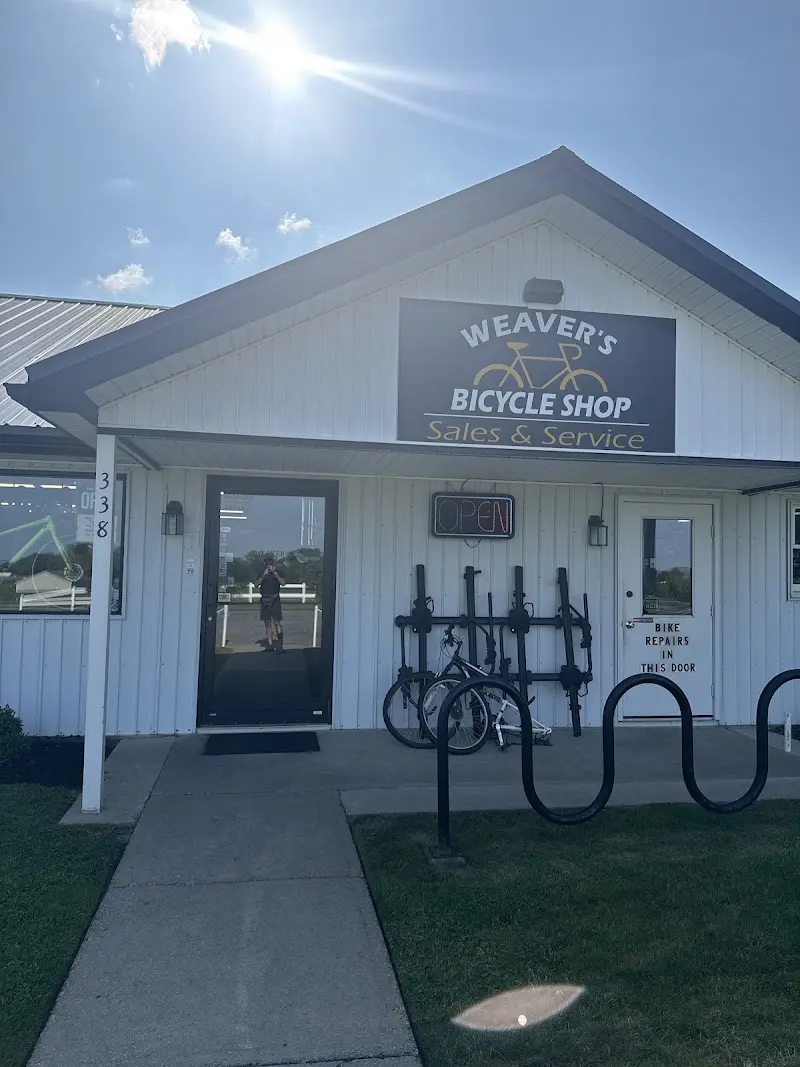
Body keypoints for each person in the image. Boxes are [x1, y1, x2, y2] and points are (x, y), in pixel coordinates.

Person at [258, 554, 286, 652]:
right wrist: (263, 575)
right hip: (265, 599)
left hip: (275, 599)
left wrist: (275, 573)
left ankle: (280, 646)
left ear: (273, 562)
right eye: (267, 561)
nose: (268, 563)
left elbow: (283, 583)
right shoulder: (262, 572)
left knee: (277, 622)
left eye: (270, 561)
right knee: (267, 623)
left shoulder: (279, 572)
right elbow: (256, 584)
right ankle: (270, 645)